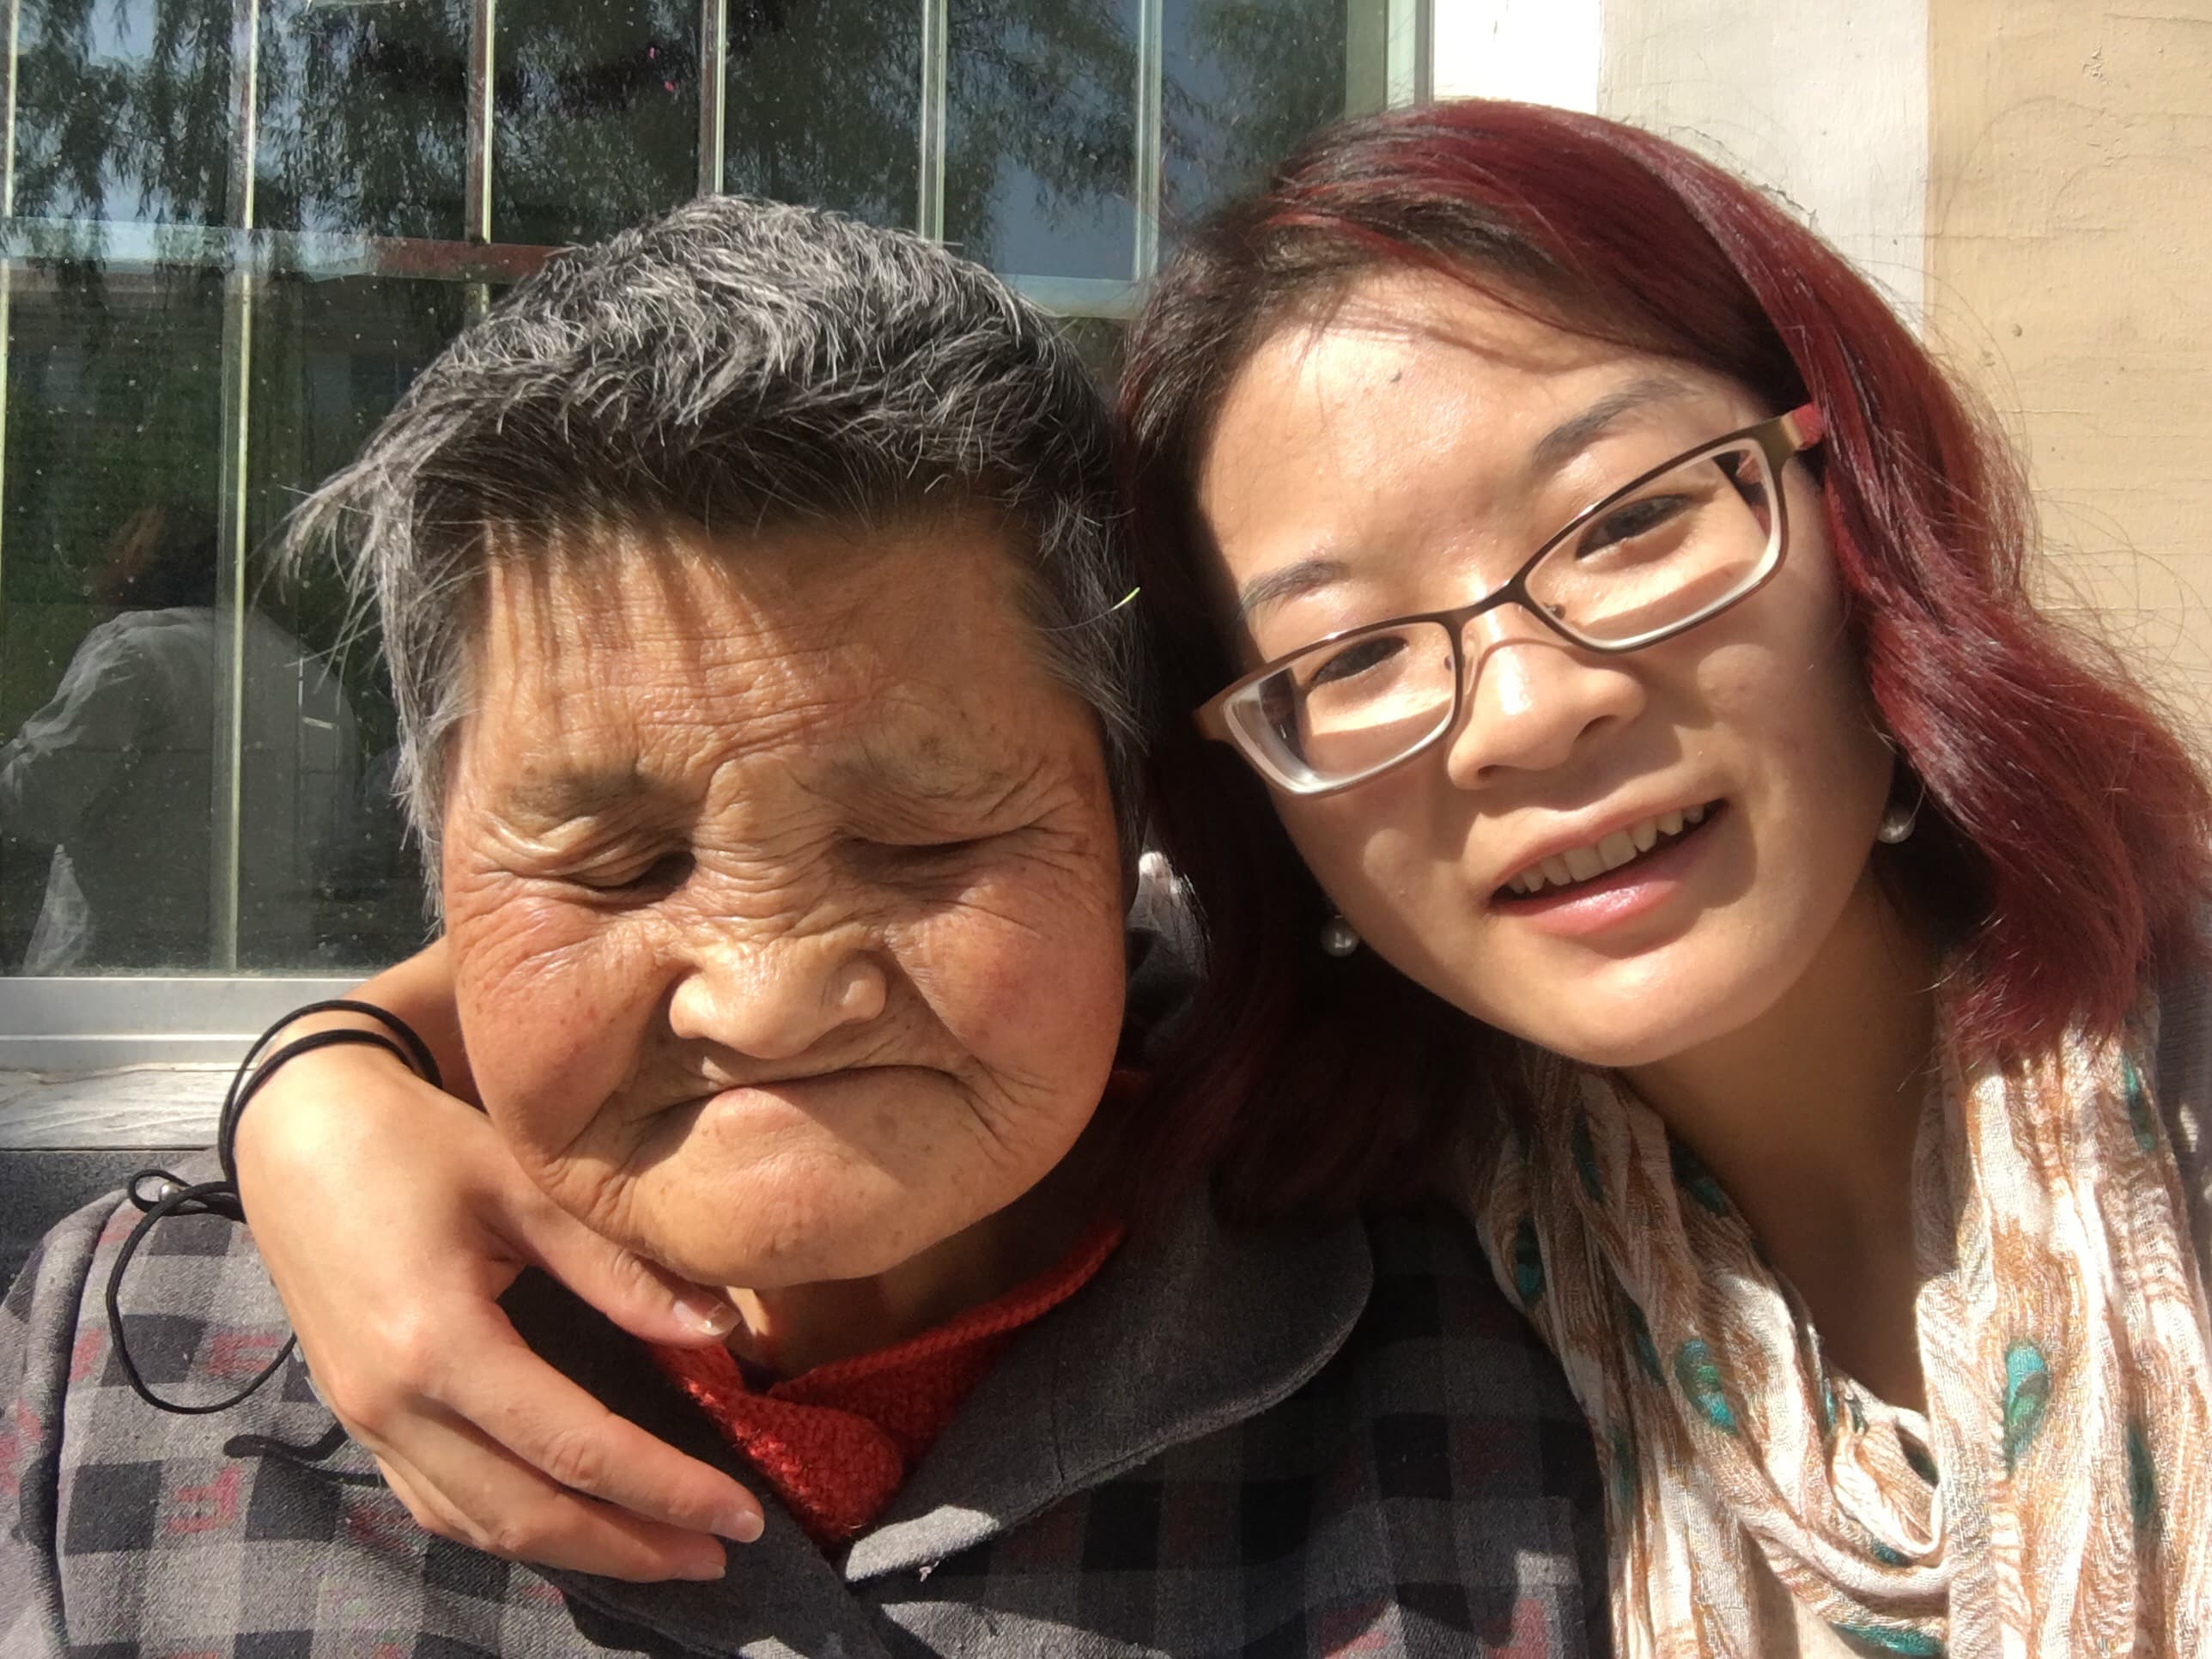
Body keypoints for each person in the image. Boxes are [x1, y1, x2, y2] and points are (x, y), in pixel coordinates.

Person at [96, 99, 2212, 1656]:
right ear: (1255, 789)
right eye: (1356, 652)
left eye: (1633, 520)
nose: (1520, 714)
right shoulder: (1454, 1169)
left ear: (1862, 500)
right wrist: (322, 1078)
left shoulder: (1412, 1325)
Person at [0, 194, 1603, 1657]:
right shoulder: (139, 1364)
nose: (764, 1001)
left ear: (1132, 825)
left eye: (920, 844)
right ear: (438, 863)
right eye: (618, 867)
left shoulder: (1507, 1301)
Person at [0, 503, 357, 970]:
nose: (95, 574)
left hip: (108, 985)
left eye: (115, 554)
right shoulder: (312, 678)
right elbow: (330, 843)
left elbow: (32, 802)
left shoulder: (135, 653)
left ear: (140, 567)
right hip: (263, 982)